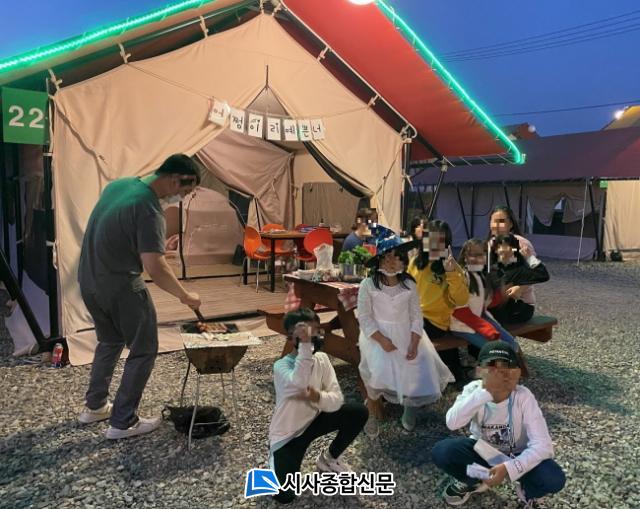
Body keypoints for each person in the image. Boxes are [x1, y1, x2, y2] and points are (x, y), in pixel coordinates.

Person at [77, 154, 202, 439]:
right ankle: (123, 422)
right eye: (184, 191)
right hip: (122, 287)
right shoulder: (149, 209)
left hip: (89, 280)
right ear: (174, 180)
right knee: (144, 349)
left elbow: (116, 233)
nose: (181, 198)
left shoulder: (119, 186)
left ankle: (95, 407)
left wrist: (154, 245)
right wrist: (185, 296)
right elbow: (155, 267)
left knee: (109, 341)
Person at [432, 341, 565, 508]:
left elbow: (544, 446)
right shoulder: (473, 390)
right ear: (479, 371)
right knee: (443, 451)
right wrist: (485, 393)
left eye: (506, 369)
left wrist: (509, 468)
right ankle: (478, 479)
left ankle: (527, 490)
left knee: (553, 478)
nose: (499, 375)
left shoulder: (523, 396)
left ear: (516, 373)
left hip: (518, 453)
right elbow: (452, 423)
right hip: (484, 452)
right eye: (491, 368)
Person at [357, 226, 454, 436]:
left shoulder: (409, 284)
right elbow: (364, 317)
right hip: (377, 335)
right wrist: (381, 339)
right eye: (387, 257)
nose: (392, 261)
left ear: (403, 260)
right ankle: (371, 410)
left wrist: (415, 340)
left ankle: (409, 408)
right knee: (376, 372)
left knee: (416, 366)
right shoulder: (368, 285)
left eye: (397, 257)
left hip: (407, 332)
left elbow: (416, 315)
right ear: (378, 260)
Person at [269, 308, 368, 505]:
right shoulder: (281, 367)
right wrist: (306, 348)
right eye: (304, 333)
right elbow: (299, 382)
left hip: (315, 420)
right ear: (291, 337)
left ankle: (329, 459)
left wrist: (317, 397)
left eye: (315, 330)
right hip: (289, 435)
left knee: (358, 412)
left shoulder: (322, 359)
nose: (311, 337)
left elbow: (336, 399)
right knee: (284, 496)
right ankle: (273, 461)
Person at [408, 219, 470, 386]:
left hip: (435, 322)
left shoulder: (451, 267)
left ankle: (415, 380)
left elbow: (462, 299)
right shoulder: (416, 262)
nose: (434, 245)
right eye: (431, 239)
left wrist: (450, 272)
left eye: (440, 241)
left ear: (446, 243)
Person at [449, 238, 519, 350]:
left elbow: (485, 304)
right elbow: (460, 312)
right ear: (465, 257)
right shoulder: (462, 276)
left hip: (479, 320)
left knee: (513, 345)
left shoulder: (481, 275)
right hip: (462, 325)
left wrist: (502, 293)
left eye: (480, 255)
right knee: (497, 349)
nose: (476, 259)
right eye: (472, 255)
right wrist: (488, 330)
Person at [489, 234, 550, 324]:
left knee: (496, 316)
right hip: (498, 303)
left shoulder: (519, 267)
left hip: (519, 308)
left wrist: (530, 258)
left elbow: (543, 274)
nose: (502, 250)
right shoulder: (493, 265)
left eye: (507, 247)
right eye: (499, 247)